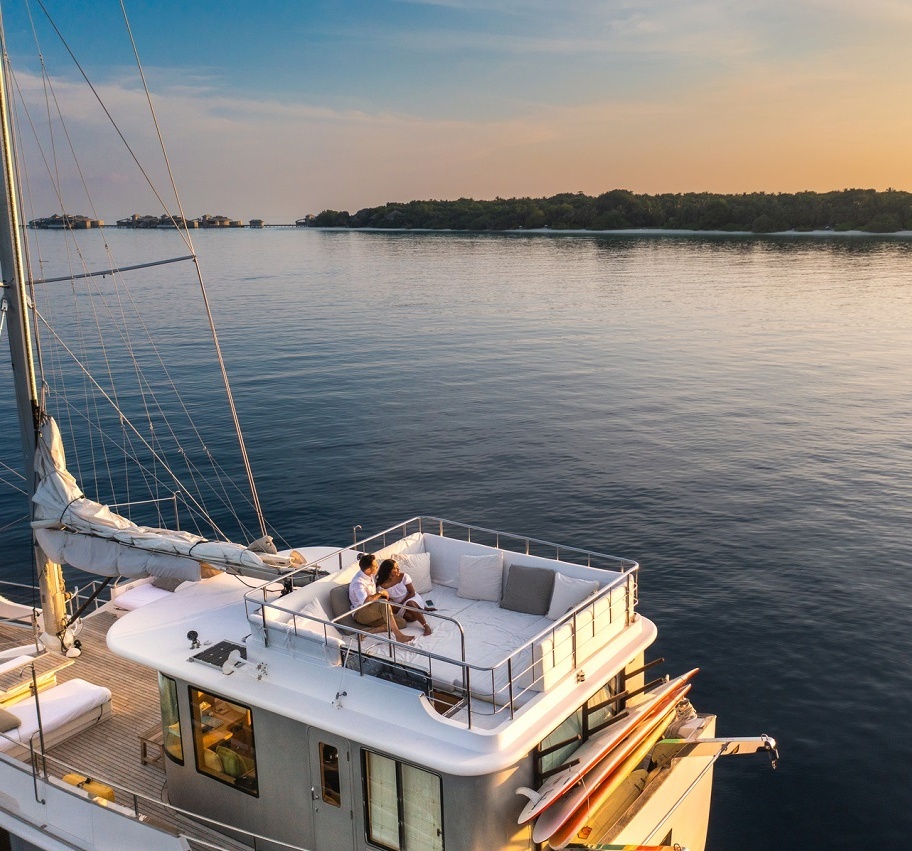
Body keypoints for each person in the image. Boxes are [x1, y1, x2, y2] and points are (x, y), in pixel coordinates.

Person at [348, 553, 414, 642]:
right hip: (361, 612)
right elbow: (365, 602)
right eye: (375, 566)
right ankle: (399, 636)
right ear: (368, 570)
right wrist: (380, 593)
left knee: (402, 622)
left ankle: (369, 631)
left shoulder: (369, 575)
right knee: (384, 604)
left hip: (373, 609)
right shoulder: (358, 583)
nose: (377, 567)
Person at [376, 558, 433, 636]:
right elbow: (387, 600)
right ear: (388, 571)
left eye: (397, 567)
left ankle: (426, 626)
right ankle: (421, 609)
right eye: (395, 568)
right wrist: (395, 606)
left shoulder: (404, 576)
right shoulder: (381, 586)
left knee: (410, 604)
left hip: (411, 598)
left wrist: (401, 604)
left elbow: (412, 592)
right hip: (398, 605)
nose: (398, 569)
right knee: (410, 618)